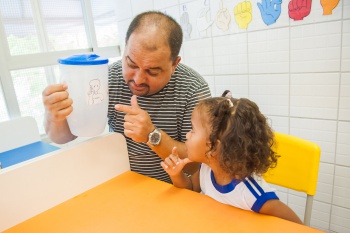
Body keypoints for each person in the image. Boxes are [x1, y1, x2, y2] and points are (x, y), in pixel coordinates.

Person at [42, 11, 211, 183]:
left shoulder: (194, 89)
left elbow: (196, 165)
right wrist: (54, 114)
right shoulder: (107, 78)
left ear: (174, 64)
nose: (137, 79)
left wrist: (152, 135)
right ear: (125, 49)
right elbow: (63, 137)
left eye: (152, 71)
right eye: (131, 64)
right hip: (119, 183)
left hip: (172, 190)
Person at [160, 97, 302, 224]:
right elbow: (190, 190)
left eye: (193, 130)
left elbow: (297, 226)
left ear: (214, 147)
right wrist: (176, 174)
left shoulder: (251, 193)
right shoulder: (206, 168)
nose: (187, 135)